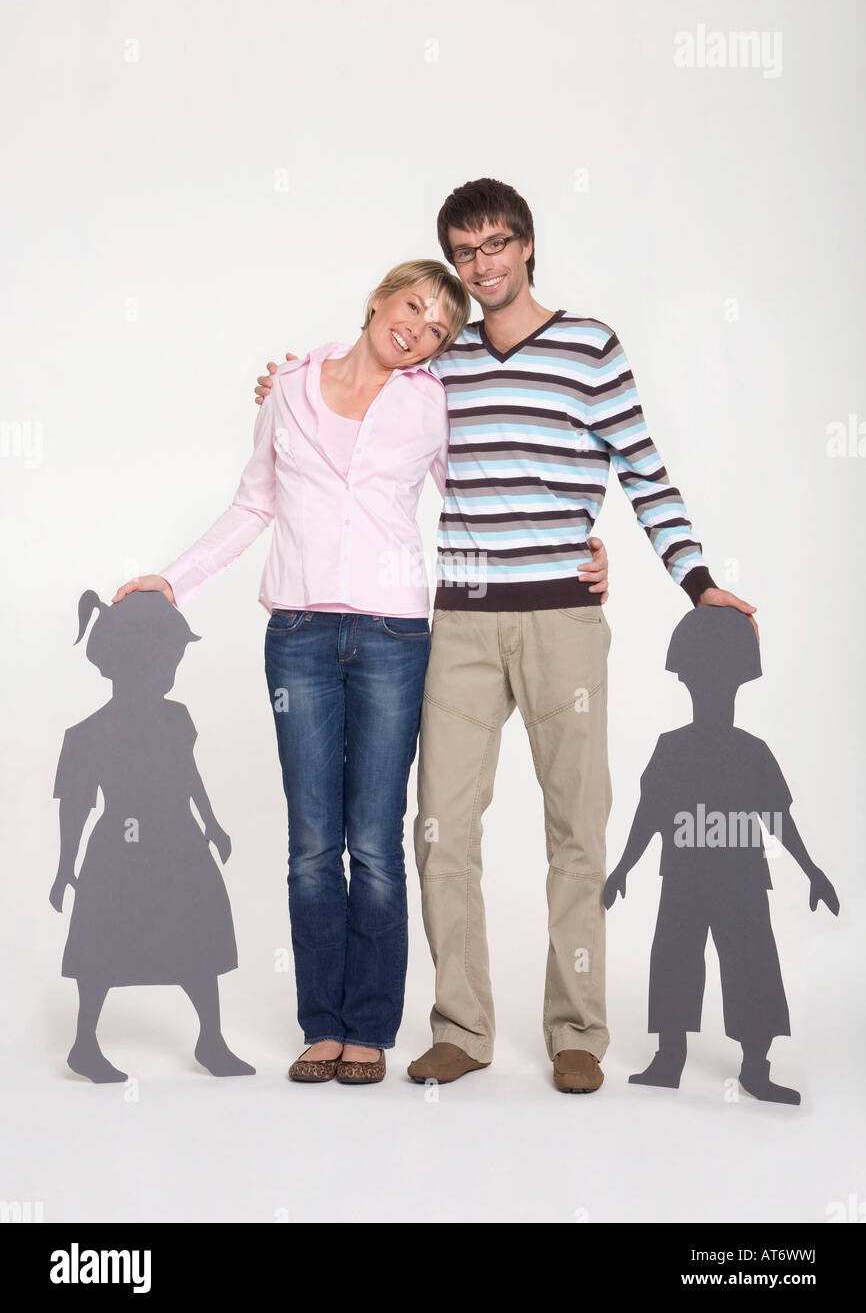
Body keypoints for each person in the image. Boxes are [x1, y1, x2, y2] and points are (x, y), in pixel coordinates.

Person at [256, 178, 756, 1095]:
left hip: (566, 619)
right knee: (440, 832)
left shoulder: (590, 345)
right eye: (464, 252)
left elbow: (644, 470)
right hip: (459, 625)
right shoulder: (436, 364)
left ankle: (576, 1031)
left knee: (577, 828)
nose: (481, 265)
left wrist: (696, 580)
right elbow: (357, 387)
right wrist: (286, 381)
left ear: (528, 245)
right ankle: (461, 1027)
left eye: (496, 245)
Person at [119, 259, 611, 1087]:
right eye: (412, 305)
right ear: (379, 299)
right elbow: (252, 505)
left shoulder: (431, 400)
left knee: (377, 842)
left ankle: (373, 1028)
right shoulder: (288, 390)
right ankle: (324, 1023)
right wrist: (174, 580)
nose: (417, 328)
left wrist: (574, 546)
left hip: (394, 637)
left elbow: (483, 489)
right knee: (313, 844)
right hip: (300, 636)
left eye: (436, 328)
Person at [604, 606, 839, 1106]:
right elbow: (648, 815)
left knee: (750, 964)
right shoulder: (676, 749)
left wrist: (812, 870)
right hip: (689, 877)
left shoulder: (748, 752)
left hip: (738, 880)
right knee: (674, 961)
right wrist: (622, 867)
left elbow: (777, 818)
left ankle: (753, 1065)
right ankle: (671, 1058)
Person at [51, 589, 253, 1083]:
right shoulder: (88, 733)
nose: (172, 669)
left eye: (176, 659)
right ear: (133, 658)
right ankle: (84, 1043)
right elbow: (75, 807)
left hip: (180, 841)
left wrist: (212, 823)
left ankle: (211, 1039)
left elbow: (188, 773)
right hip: (118, 851)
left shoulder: (176, 717)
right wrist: (64, 867)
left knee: (196, 937)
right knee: (102, 944)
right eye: (168, 657)